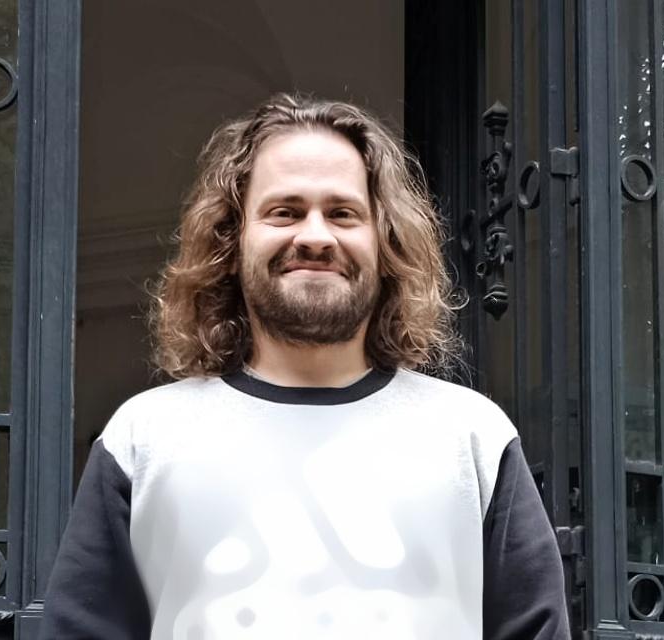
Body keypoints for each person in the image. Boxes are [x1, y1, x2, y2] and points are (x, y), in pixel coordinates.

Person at [40, 94, 570, 639]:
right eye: (285, 212)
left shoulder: (473, 438)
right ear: (232, 240)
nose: (315, 237)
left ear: (384, 243)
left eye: (342, 213)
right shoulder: (143, 439)